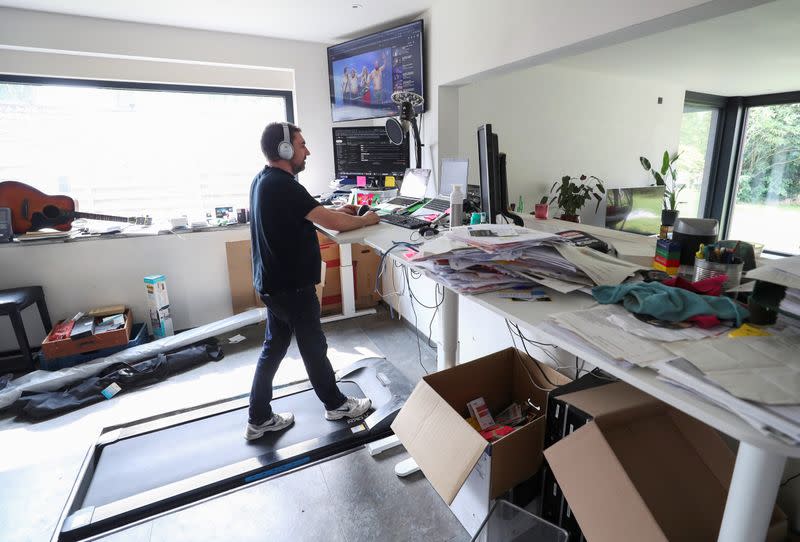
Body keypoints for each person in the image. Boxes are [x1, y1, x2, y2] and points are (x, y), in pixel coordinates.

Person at [245, 122, 380, 440]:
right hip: (291, 287)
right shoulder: (285, 185)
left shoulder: (264, 180)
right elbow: (332, 223)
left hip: (272, 283)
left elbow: (309, 212)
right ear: (285, 150)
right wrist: (365, 219)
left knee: (274, 347)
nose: (307, 150)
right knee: (313, 347)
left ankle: (259, 417)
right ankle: (336, 405)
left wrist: (335, 210)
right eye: (301, 144)